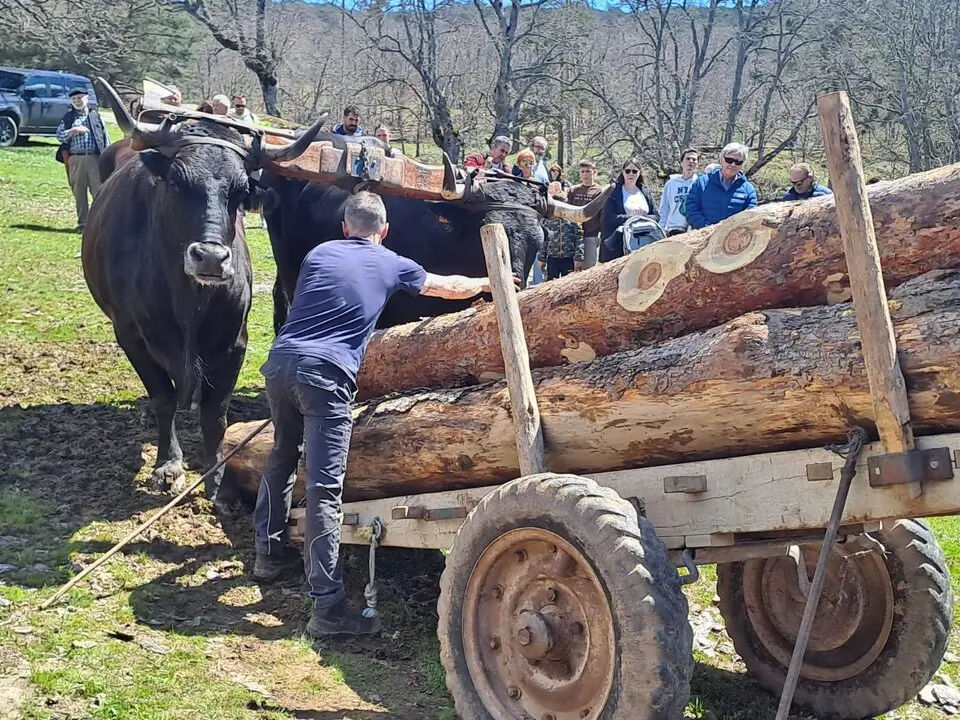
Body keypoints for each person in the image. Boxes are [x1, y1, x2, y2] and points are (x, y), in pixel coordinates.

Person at [252, 192, 504, 637]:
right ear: (383, 230)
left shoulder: (319, 252)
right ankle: (328, 609)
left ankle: (267, 555)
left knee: (281, 458)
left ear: (346, 226)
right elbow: (446, 287)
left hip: (280, 362)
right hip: (326, 374)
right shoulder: (391, 262)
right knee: (325, 489)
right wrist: (487, 283)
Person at [56, 88, 110, 233]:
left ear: (86, 99)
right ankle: (83, 224)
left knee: (98, 192)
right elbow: (59, 136)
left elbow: (106, 139)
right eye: (74, 99)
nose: (77, 101)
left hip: (94, 158)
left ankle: (99, 223)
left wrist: (107, 158)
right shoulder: (68, 118)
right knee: (79, 193)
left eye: (80, 98)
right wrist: (73, 131)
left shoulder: (96, 117)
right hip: (75, 159)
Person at [684, 142, 758, 229]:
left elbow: (750, 217)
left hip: (733, 238)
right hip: (702, 236)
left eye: (738, 162)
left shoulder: (748, 190)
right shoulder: (701, 182)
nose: (733, 164)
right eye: (729, 160)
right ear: (721, 159)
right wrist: (707, 228)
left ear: (743, 164)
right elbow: (691, 210)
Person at [599, 157, 659, 262]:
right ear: (623, 172)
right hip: (618, 246)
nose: (631, 174)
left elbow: (656, 215)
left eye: (634, 171)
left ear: (639, 173)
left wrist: (641, 218)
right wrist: (630, 218)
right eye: (627, 171)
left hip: (644, 242)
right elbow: (607, 218)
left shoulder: (645, 192)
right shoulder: (613, 192)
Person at [539, 182, 583, 280]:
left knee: (568, 283)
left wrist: (578, 258)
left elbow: (579, 239)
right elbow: (543, 240)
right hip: (552, 258)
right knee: (550, 282)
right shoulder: (547, 222)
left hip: (568, 258)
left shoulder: (573, 221)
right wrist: (541, 258)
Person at [567, 159, 605, 269]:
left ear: (594, 172)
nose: (585, 175)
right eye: (582, 171)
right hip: (572, 236)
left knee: (588, 269)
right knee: (571, 270)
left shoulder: (599, 191)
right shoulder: (573, 190)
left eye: (588, 171)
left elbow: (603, 216)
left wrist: (600, 236)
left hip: (590, 235)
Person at [659, 148, 700, 236]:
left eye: (694, 159)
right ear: (681, 163)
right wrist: (661, 229)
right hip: (672, 230)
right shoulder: (670, 184)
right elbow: (664, 208)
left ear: (697, 164)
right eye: (688, 159)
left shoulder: (700, 183)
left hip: (692, 231)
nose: (691, 161)